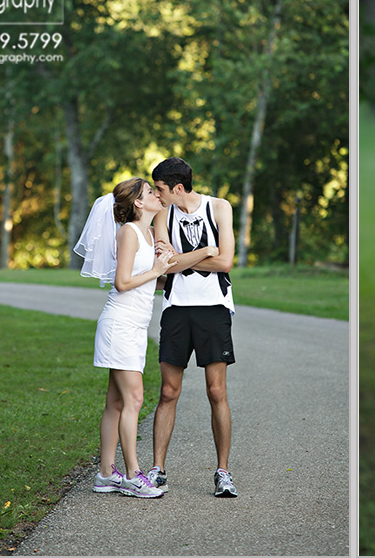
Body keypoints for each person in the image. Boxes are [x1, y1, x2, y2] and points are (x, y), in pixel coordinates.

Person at [73, 177, 177, 498]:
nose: (157, 196)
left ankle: (105, 474)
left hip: (133, 326)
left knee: (116, 402)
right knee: (134, 400)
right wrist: (158, 269)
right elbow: (121, 282)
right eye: (150, 193)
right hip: (119, 324)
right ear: (138, 203)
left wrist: (164, 273)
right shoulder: (128, 233)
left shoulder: (147, 234)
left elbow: (145, 282)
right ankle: (133, 475)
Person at [145, 157, 238, 498]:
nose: (157, 195)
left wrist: (180, 260)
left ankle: (223, 473)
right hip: (176, 310)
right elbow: (164, 267)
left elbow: (225, 262)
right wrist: (204, 251)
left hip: (214, 309)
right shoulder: (161, 215)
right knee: (168, 392)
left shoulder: (219, 207)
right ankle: (158, 470)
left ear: (178, 188)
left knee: (217, 392)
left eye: (160, 189)